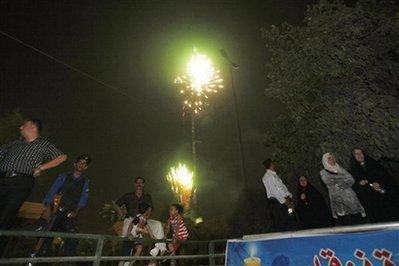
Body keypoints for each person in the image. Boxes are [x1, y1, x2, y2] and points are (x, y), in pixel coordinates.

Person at [0, 118, 67, 230]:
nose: (20, 127)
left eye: (24, 125)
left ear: (33, 127)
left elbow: (61, 157)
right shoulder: (14, 143)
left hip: (20, 182)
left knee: (7, 213)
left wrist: (41, 167)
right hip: (2, 178)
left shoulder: (43, 144)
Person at [33, 154, 92, 258]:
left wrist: (76, 212)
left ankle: (67, 261)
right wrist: (47, 208)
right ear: (75, 164)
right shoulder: (64, 176)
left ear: (86, 167)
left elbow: (83, 199)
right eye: (80, 162)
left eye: (84, 164)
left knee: (72, 239)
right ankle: (39, 258)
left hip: (68, 214)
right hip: (55, 211)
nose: (81, 165)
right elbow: (52, 191)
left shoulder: (85, 182)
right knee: (45, 238)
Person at [349, 148, 399, 222]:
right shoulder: (353, 170)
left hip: (385, 197)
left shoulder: (373, 163)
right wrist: (360, 183)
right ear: (354, 157)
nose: (359, 155)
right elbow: (354, 186)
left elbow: (385, 176)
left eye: (361, 153)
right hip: (372, 202)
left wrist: (378, 182)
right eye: (356, 154)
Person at [112, 177, 152, 264]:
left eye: (141, 183)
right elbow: (115, 203)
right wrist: (121, 213)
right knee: (127, 246)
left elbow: (150, 209)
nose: (139, 184)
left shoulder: (147, 197)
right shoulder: (128, 196)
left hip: (141, 221)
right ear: (134, 184)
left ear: (143, 184)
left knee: (139, 248)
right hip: (130, 220)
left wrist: (145, 217)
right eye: (137, 182)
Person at [320, 153, 366, 225]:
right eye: (329, 158)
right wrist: (343, 178)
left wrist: (344, 183)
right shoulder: (323, 172)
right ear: (325, 160)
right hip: (338, 201)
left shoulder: (341, 169)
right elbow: (329, 181)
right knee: (345, 222)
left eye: (333, 157)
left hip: (351, 199)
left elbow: (351, 179)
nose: (332, 159)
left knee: (357, 221)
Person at [261, 159, 295, 232]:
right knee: (282, 223)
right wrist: (285, 202)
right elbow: (274, 191)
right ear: (271, 164)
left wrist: (289, 197)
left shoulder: (274, 175)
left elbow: (282, 188)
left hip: (285, 201)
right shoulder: (268, 176)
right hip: (278, 203)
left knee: (290, 218)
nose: (276, 165)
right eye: (274, 163)